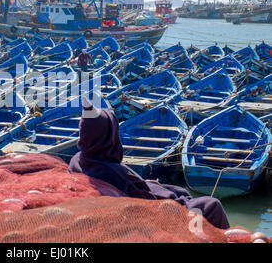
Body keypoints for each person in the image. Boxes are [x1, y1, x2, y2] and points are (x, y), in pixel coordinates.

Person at [68, 97, 230, 230]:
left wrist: (147, 184)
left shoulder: (78, 160)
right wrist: (181, 200)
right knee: (212, 205)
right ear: (110, 136)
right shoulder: (116, 173)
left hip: (121, 204)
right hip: (154, 215)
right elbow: (153, 200)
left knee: (175, 189)